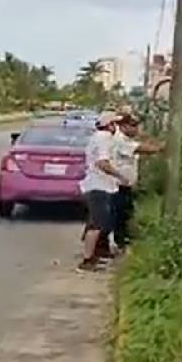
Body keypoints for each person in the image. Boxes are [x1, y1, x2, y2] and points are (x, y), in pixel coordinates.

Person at [78, 111, 127, 272]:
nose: (117, 128)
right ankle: (87, 259)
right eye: (116, 124)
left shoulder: (101, 138)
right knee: (96, 224)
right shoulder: (103, 139)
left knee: (101, 222)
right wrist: (120, 176)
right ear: (109, 125)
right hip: (99, 186)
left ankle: (95, 255)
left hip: (101, 185)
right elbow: (102, 163)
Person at [113, 113, 163, 248]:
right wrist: (161, 148)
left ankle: (121, 241)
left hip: (124, 185)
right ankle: (120, 243)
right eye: (133, 126)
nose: (136, 129)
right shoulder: (120, 140)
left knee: (124, 214)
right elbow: (141, 149)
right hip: (118, 185)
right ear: (123, 126)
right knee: (120, 216)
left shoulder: (126, 139)